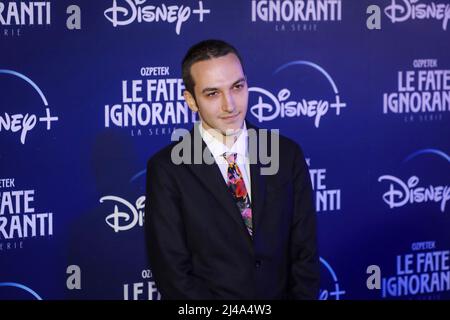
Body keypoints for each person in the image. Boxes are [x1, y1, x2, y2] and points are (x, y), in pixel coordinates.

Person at [145, 39, 319, 300]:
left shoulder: (286, 154)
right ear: (191, 100)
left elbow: (305, 253)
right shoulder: (168, 169)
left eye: (237, 87)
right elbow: (173, 274)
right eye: (213, 93)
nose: (230, 105)